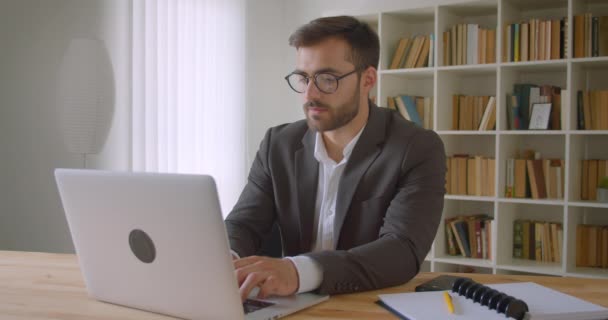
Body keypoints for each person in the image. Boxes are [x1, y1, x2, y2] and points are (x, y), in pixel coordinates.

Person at [225, 15, 446, 301]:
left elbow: (401, 250)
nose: (310, 94)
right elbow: (244, 224)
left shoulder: (416, 148)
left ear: (367, 79)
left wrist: (297, 271)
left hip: (368, 304)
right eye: (303, 78)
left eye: (327, 79)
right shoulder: (277, 144)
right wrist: (226, 259)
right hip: (289, 303)